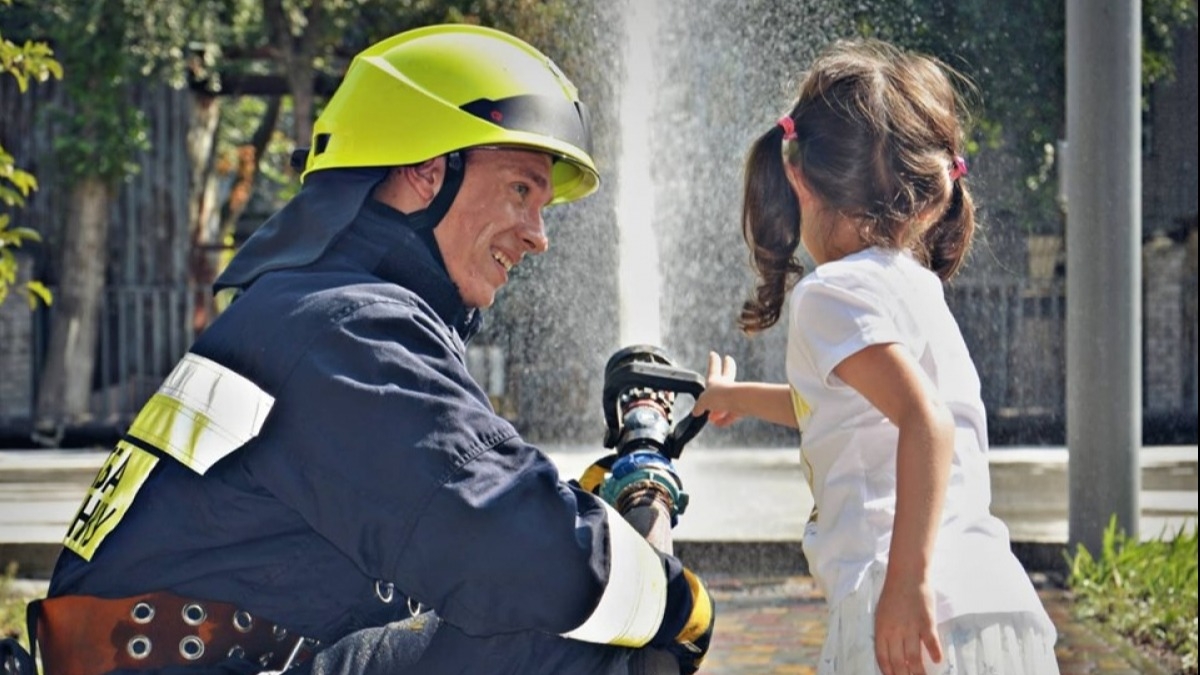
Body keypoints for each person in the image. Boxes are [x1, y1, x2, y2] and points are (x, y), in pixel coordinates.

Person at [22, 24, 712, 675]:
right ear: (428, 171)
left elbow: (458, 509)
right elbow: (527, 557)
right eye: (521, 189)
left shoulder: (305, 307)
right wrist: (684, 605)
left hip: (203, 657)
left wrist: (587, 500)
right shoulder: (349, 329)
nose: (539, 234)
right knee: (585, 635)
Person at [692, 39, 1059, 675]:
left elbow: (926, 422)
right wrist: (736, 399)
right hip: (993, 597)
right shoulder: (914, 286)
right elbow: (846, 410)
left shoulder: (828, 292)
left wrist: (907, 584)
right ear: (924, 196)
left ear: (797, 177)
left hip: (906, 605)